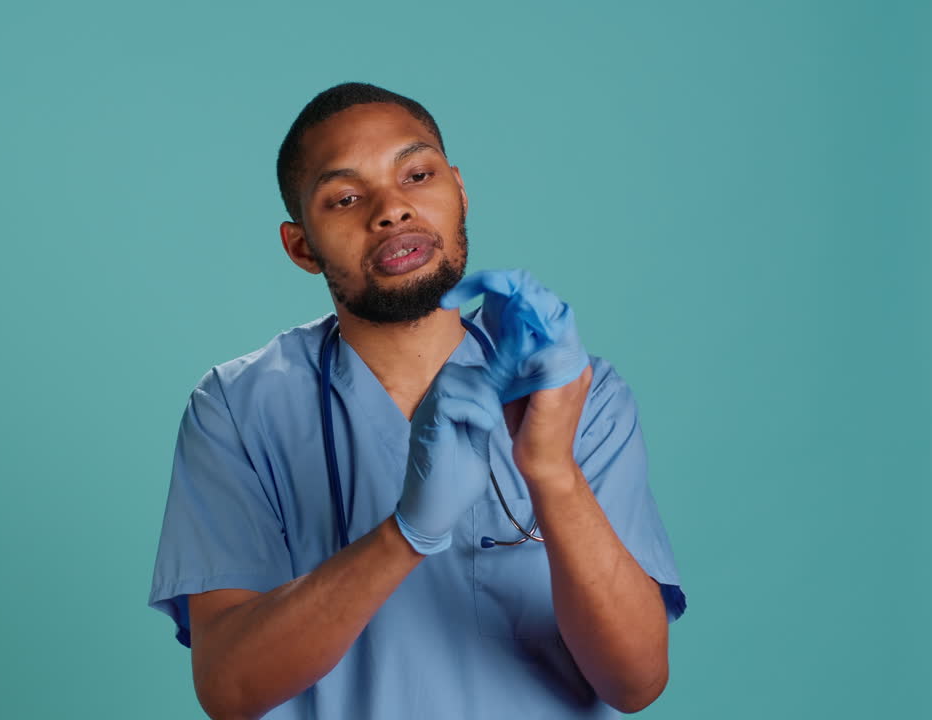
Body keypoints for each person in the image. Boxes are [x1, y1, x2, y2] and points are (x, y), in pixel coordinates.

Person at [148, 82, 686, 719]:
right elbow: (229, 689)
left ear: (459, 190)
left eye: (417, 174)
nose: (391, 210)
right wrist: (406, 535)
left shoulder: (576, 395)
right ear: (301, 247)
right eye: (345, 197)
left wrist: (551, 471)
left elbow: (637, 682)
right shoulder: (237, 409)